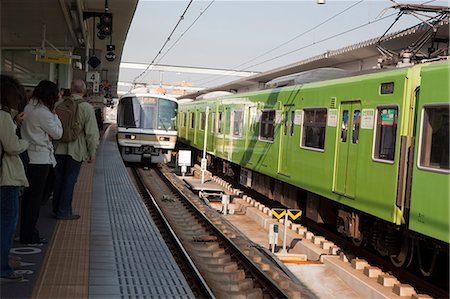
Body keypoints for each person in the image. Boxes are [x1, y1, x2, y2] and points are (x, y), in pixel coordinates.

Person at [20, 80, 63, 244]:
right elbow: (58, 133)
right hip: (41, 160)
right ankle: (29, 234)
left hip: (29, 157)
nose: (58, 96)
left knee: (28, 198)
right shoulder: (44, 113)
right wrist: (55, 116)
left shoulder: (28, 107)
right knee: (36, 199)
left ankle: (26, 231)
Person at [52, 79, 99, 220]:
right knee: (69, 180)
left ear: (71, 89)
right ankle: (64, 211)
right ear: (84, 91)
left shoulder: (59, 104)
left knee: (59, 179)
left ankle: (56, 209)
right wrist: (92, 152)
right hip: (76, 150)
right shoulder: (86, 108)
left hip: (58, 148)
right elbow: (91, 133)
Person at [0, 74, 29, 281]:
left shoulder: (5, 118)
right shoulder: (2, 116)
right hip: (5, 178)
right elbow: (11, 147)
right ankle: (3, 267)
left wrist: (14, 123)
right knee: (7, 223)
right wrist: (25, 142)